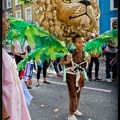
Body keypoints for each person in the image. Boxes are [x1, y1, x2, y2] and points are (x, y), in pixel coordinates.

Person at [2, 9, 31, 120]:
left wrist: (22, 83)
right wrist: (4, 115)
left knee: (21, 74)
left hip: (15, 106)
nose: (9, 26)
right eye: (6, 21)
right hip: (8, 110)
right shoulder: (14, 41)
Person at [60, 35, 90, 120]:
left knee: (78, 93)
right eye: (79, 42)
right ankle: (71, 114)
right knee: (73, 95)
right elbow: (61, 63)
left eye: (83, 42)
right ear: (74, 43)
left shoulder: (85, 53)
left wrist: (88, 61)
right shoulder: (70, 53)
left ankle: (75, 109)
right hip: (70, 75)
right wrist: (67, 61)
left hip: (79, 75)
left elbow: (85, 66)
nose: (82, 44)